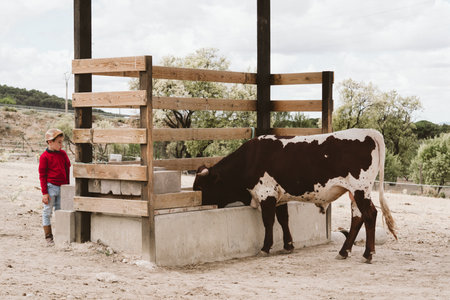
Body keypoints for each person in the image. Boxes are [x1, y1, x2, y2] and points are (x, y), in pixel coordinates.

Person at [38, 128, 71, 245]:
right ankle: (48, 237)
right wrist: (44, 193)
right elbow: (42, 176)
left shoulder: (63, 154)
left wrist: (67, 185)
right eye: (59, 142)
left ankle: (61, 236)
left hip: (62, 188)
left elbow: (67, 169)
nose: (61, 144)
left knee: (60, 212)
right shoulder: (44, 157)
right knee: (47, 212)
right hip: (51, 187)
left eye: (62, 141)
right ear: (50, 142)